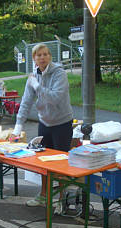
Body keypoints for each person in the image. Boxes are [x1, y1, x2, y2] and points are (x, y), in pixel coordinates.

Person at [11, 43, 73, 214]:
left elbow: (54, 98)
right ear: (34, 58)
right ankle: (44, 195)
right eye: (39, 55)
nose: (43, 57)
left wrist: (37, 86)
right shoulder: (33, 77)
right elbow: (25, 102)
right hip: (44, 123)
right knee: (43, 161)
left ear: (50, 56)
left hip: (62, 123)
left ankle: (62, 198)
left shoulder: (59, 73)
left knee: (60, 164)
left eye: (45, 54)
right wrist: (17, 127)